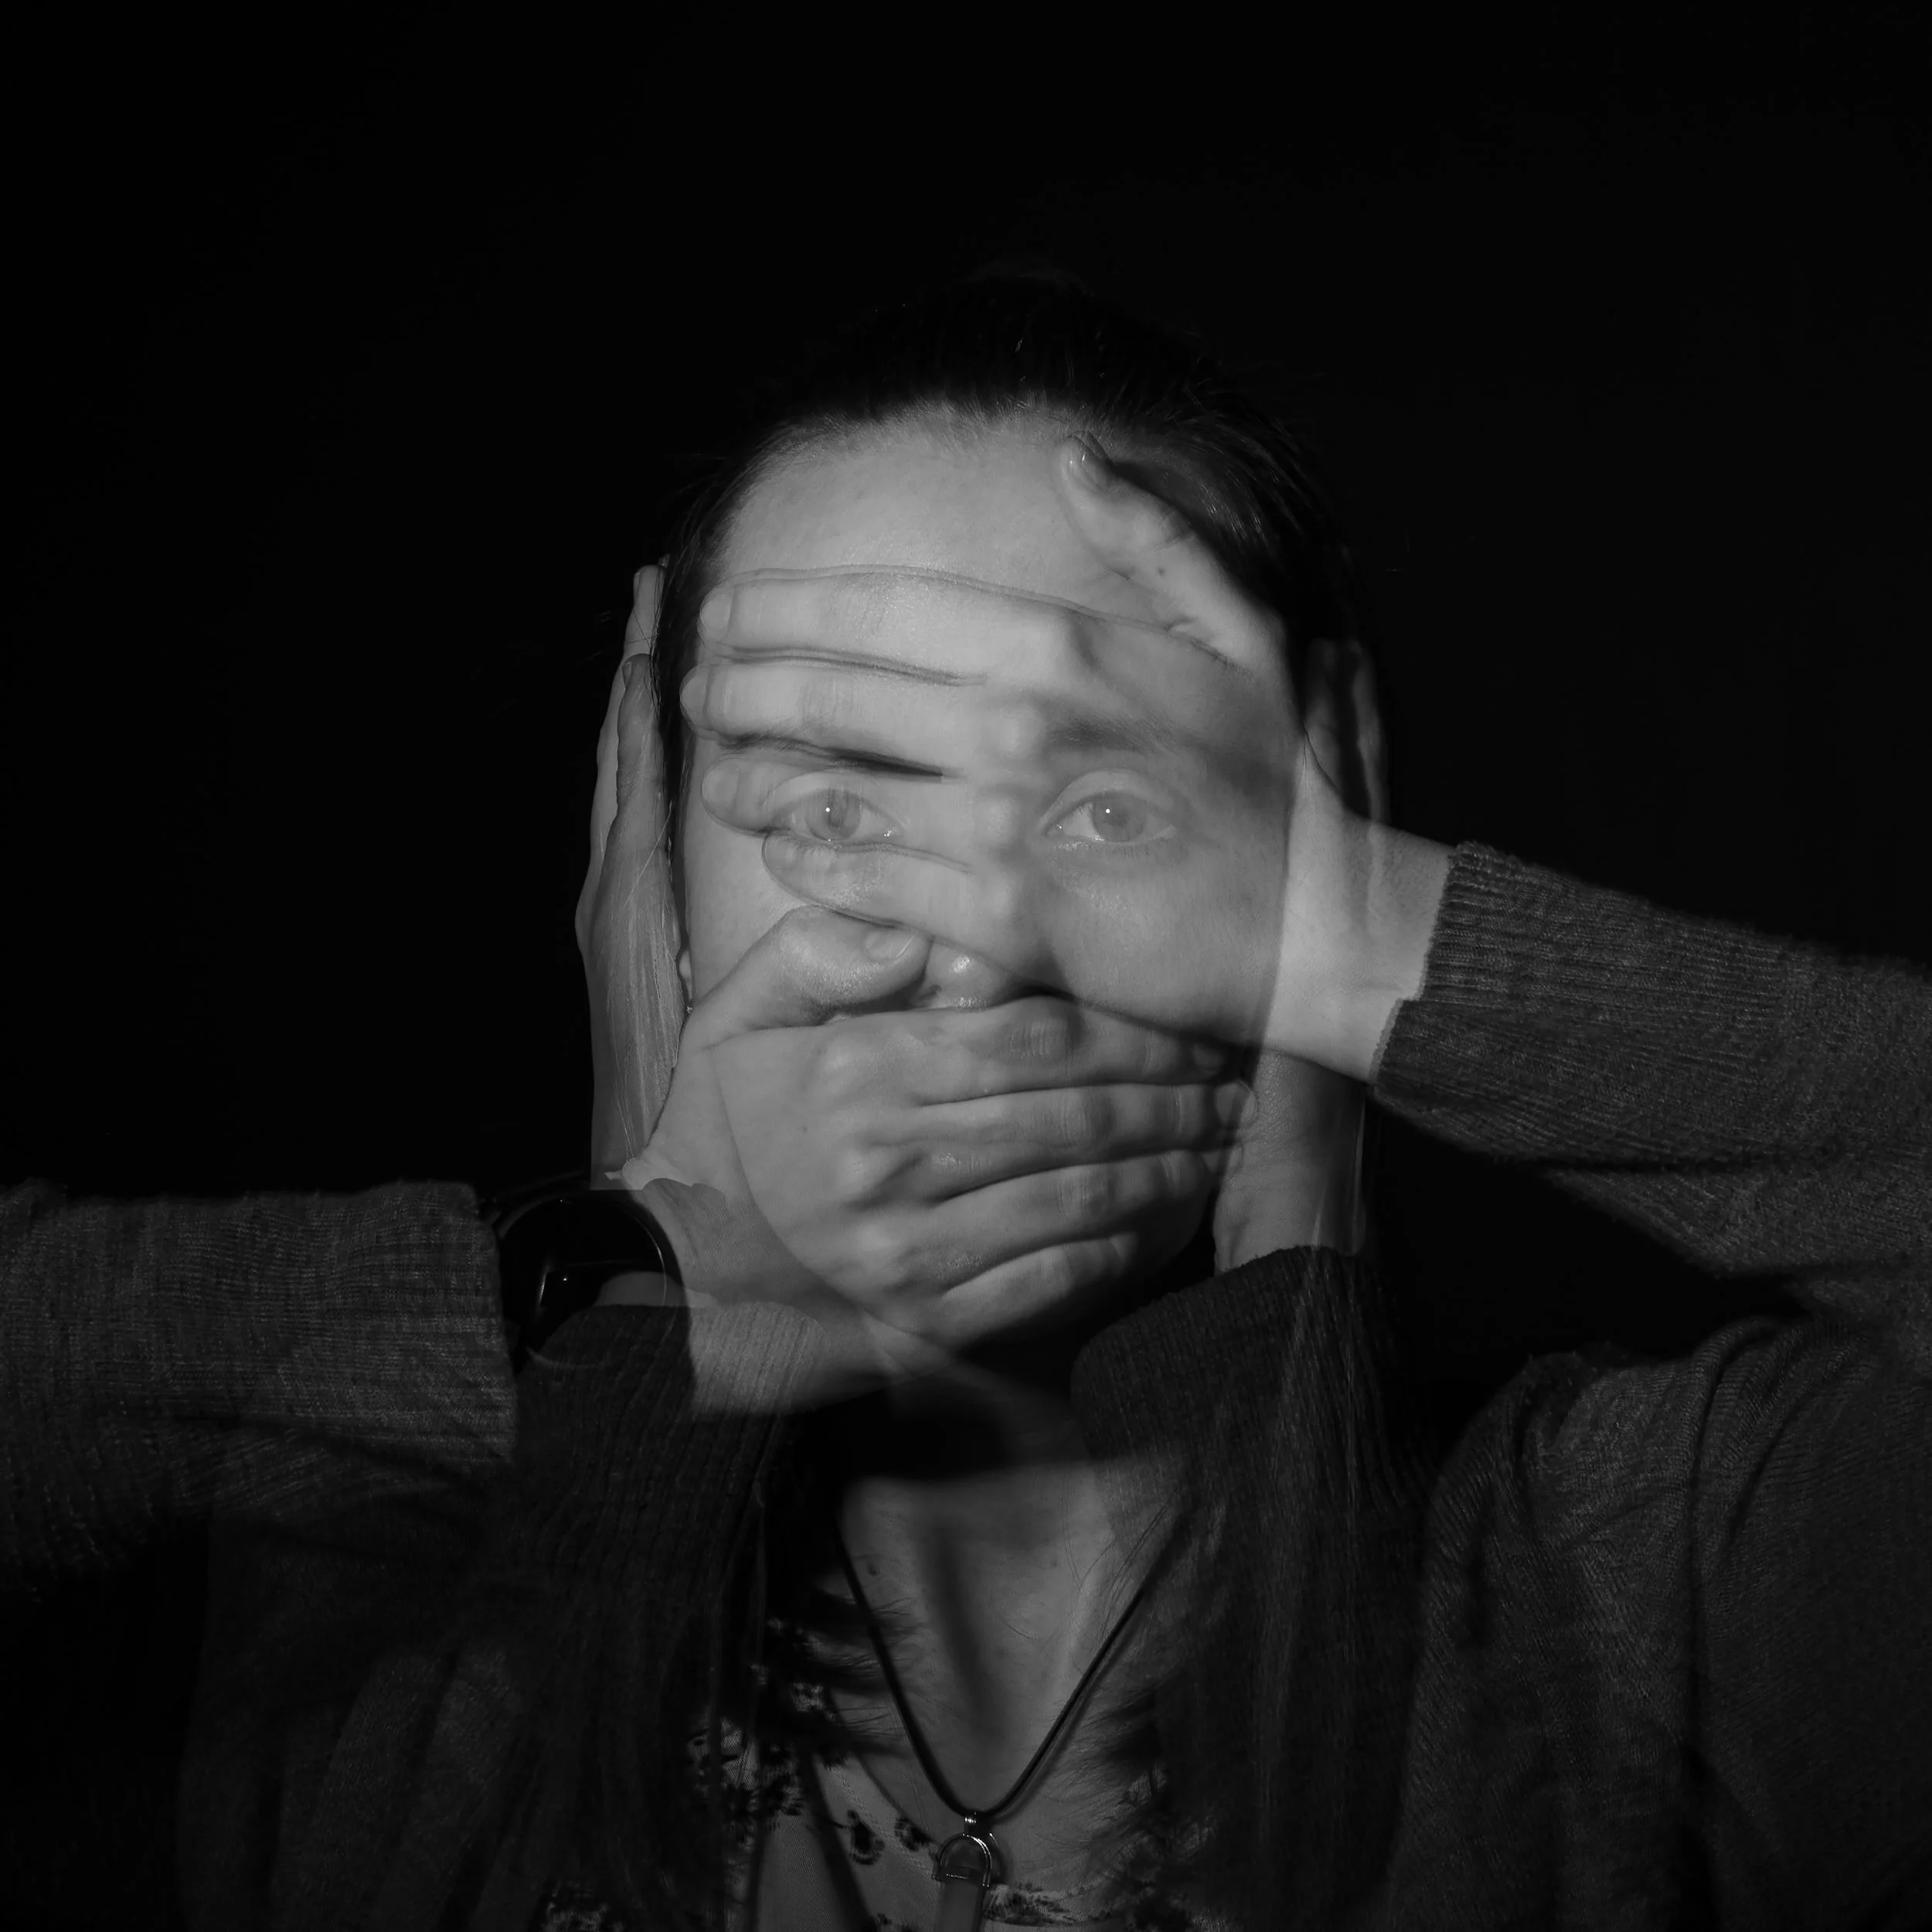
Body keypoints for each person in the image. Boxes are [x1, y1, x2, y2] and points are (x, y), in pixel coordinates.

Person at [2, 269, 1927, 1930]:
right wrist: (629, 1281)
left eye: (1101, 809)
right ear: (654, 895)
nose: (965, 943)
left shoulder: (1645, 1568)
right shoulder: (372, 1582)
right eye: (827, 800)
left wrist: (1377, 951)